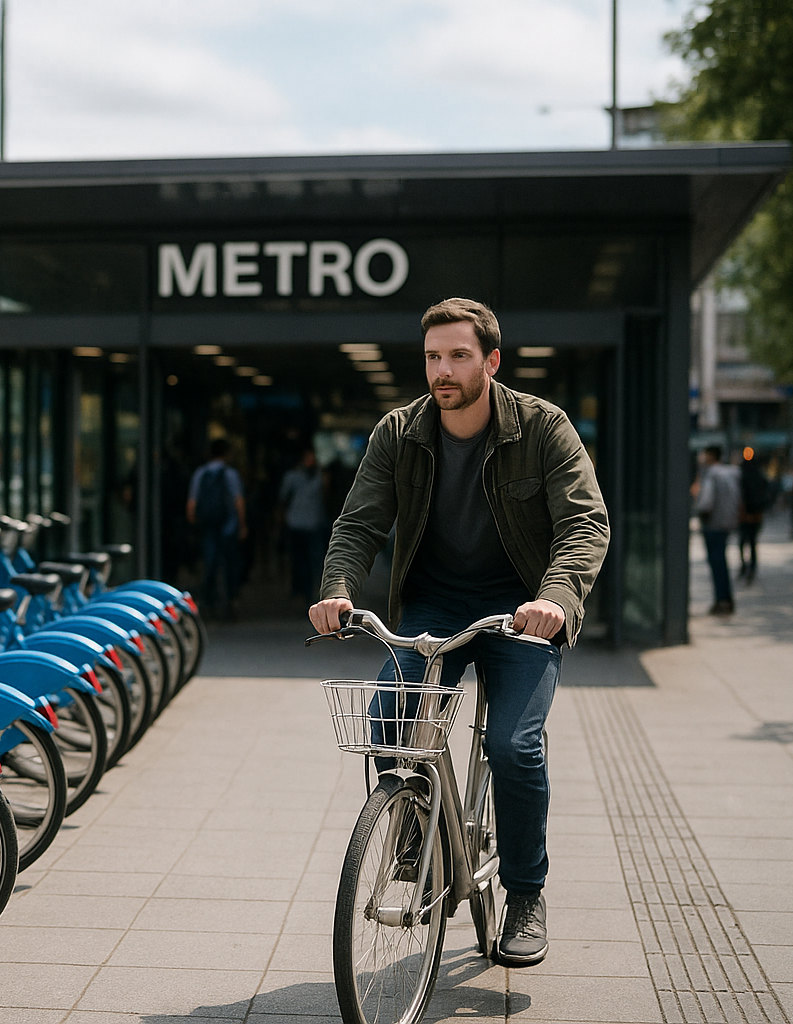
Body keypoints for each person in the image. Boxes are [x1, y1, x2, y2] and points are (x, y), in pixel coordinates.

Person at [309, 297, 608, 969]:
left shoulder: (543, 427)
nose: (442, 370)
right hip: (436, 605)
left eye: (458, 356)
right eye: (432, 357)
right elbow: (360, 522)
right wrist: (337, 590)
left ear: (491, 361)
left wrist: (555, 600)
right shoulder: (399, 432)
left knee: (513, 746)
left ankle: (525, 894)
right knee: (386, 721)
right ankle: (415, 831)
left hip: (521, 609)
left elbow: (584, 524)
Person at [187, 438, 247, 618]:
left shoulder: (201, 473)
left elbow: (191, 503)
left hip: (209, 526)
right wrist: (242, 524)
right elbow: (238, 501)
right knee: (229, 565)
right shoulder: (230, 474)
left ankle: (208, 602)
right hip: (228, 527)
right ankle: (230, 600)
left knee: (210, 565)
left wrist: (194, 523)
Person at [692, 446, 741, 613]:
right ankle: (726, 599)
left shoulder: (710, 474)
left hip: (713, 524)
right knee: (722, 562)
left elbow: (706, 502)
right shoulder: (731, 473)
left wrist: (698, 507)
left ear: (711, 456)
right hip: (727, 522)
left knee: (716, 563)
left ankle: (721, 601)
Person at [279, 447, 327, 602]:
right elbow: (284, 497)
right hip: (296, 523)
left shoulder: (318, 476)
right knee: (298, 559)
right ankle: (300, 588)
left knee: (313, 559)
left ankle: (309, 590)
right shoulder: (293, 476)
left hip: (313, 523)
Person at [737, 450, 770, 584]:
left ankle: (745, 566)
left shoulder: (742, 474)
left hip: (745, 514)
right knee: (752, 542)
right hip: (755, 514)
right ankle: (751, 567)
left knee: (743, 541)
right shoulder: (759, 475)